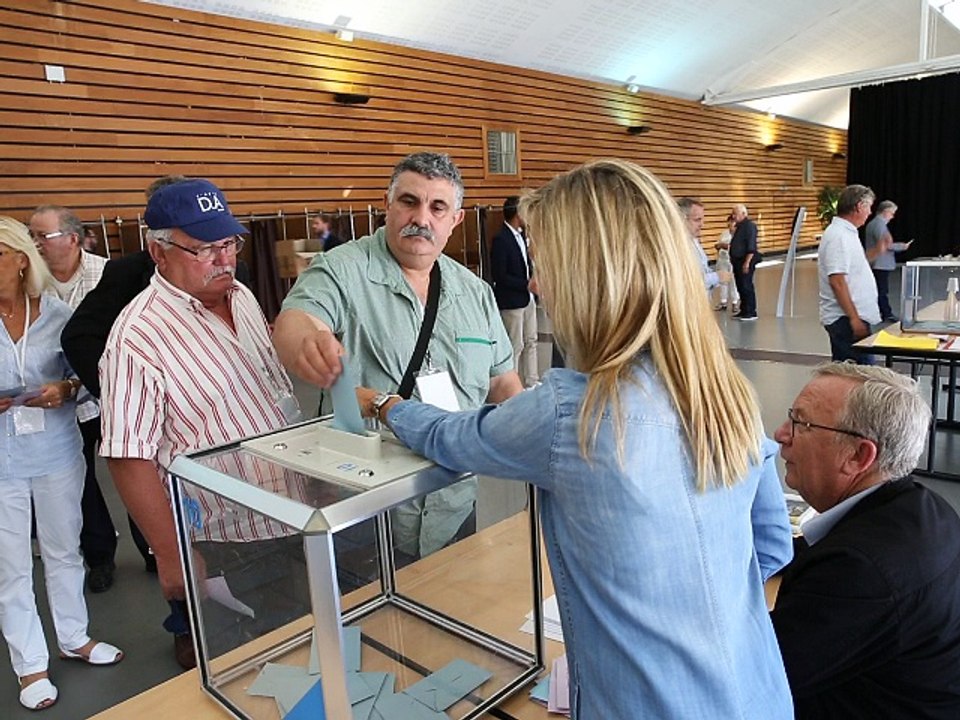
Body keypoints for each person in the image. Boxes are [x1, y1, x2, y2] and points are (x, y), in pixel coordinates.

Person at [357, 159, 794, 719]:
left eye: (547, 264)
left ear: (592, 276)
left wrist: (388, 405)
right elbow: (772, 545)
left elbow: (451, 436)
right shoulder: (724, 390)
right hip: (757, 694)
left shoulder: (574, 413)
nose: (537, 283)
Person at [274, 152, 522, 561]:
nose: (421, 217)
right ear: (387, 206)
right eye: (409, 201)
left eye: (437, 207)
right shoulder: (343, 268)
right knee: (368, 622)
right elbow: (298, 319)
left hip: (454, 499)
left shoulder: (475, 292)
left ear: (455, 220)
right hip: (366, 509)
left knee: (447, 610)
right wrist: (308, 344)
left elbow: (502, 383)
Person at [98, 178, 301, 669]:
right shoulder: (137, 338)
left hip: (292, 506)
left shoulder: (243, 299)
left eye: (229, 243)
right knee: (263, 663)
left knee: (308, 642)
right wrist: (172, 555)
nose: (224, 260)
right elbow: (129, 458)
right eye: (205, 249)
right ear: (159, 252)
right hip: (228, 535)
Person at [770, 363, 960, 718]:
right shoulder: (925, 507)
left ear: (859, 455)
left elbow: (755, 676)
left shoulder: (860, 572)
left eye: (801, 423)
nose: (781, 434)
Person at [0, 217, 122, 712]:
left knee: (63, 549)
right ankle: (29, 662)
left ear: (19, 260)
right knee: (9, 566)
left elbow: (83, 375)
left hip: (56, 452)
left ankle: (74, 636)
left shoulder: (57, 315)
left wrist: (65, 389)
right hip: (3, 463)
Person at [27, 205, 116, 593]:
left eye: (40, 236)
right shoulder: (29, 282)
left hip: (107, 392)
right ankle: (99, 557)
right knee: (82, 483)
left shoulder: (110, 275)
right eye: (30, 237)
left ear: (72, 239)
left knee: (134, 469)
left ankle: (152, 551)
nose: (34, 245)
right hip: (60, 400)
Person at [818, 184, 880, 363]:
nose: (869, 213)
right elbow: (837, 280)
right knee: (859, 375)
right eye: (868, 207)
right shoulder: (839, 236)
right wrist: (854, 318)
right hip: (845, 319)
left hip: (850, 317)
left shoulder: (847, 233)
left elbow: (853, 267)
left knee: (853, 374)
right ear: (859, 206)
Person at [490, 195, 539, 388]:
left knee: (531, 340)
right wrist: (525, 284)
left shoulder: (523, 236)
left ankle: (532, 381)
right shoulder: (501, 239)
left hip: (527, 299)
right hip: (512, 301)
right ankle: (513, 386)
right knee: (515, 345)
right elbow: (500, 275)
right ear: (517, 213)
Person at [864, 200, 913, 322]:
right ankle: (886, 313)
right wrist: (902, 246)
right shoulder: (879, 225)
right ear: (885, 211)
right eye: (892, 213)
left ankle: (882, 312)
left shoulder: (873, 224)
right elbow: (886, 245)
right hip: (880, 263)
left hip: (876, 261)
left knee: (879, 289)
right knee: (882, 290)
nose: (893, 216)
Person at [678, 197, 719, 291]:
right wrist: (717, 277)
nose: (702, 224)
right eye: (697, 220)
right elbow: (688, 282)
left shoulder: (694, 241)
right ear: (682, 220)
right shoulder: (677, 247)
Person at [730, 203, 759, 320]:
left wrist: (747, 262)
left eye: (735, 214)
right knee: (740, 285)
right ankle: (744, 309)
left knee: (746, 285)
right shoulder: (739, 227)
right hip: (737, 261)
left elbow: (751, 246)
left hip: (745, 260)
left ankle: (751, 311)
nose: (733, 216)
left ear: (743, 214)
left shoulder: (750, 226)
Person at [714, 214, 741, 312]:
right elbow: (718, 244)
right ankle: (723, 302)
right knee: (723, 281)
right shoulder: (724, 233)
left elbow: (735, 248)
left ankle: (735, 303)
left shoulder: (738, 235)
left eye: (732, 223)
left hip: (733, 261)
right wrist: (718, 246)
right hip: (722, 260)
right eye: (729, 223)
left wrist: (724, 245)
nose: (730, 225)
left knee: (733, 282)